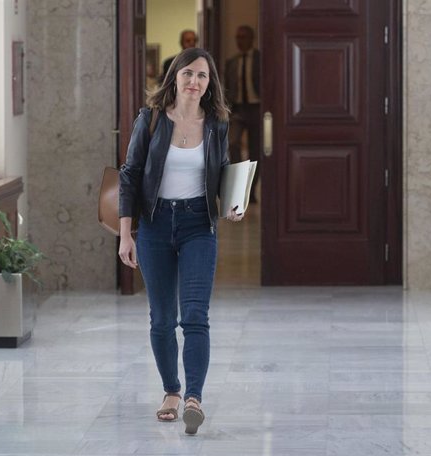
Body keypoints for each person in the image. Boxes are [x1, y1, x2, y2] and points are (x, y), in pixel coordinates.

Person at [118, 48, 243, 436]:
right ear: (174, 77)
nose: (194, 82)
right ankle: (171, 391)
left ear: (210, 84)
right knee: (161, 319)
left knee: (194, 317)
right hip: (155, 227)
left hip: (197, 226)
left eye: (202, 76)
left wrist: (234, 203)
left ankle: (194, 399)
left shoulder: (217, 124)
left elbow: (221, 171)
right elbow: (130, 175)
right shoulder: (151, 118)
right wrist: (126, 234)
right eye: (188, 74)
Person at [224, 25, 261, 202]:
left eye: (243, 37)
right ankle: (238, 189)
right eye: (237, 37)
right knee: (233, 144)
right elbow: (227, 87)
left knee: (256, 151)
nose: (240, 41)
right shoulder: (232, 62)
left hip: (257, 109)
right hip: (238, 109)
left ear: (251, 39)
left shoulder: (261, 59)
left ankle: (251, 191)